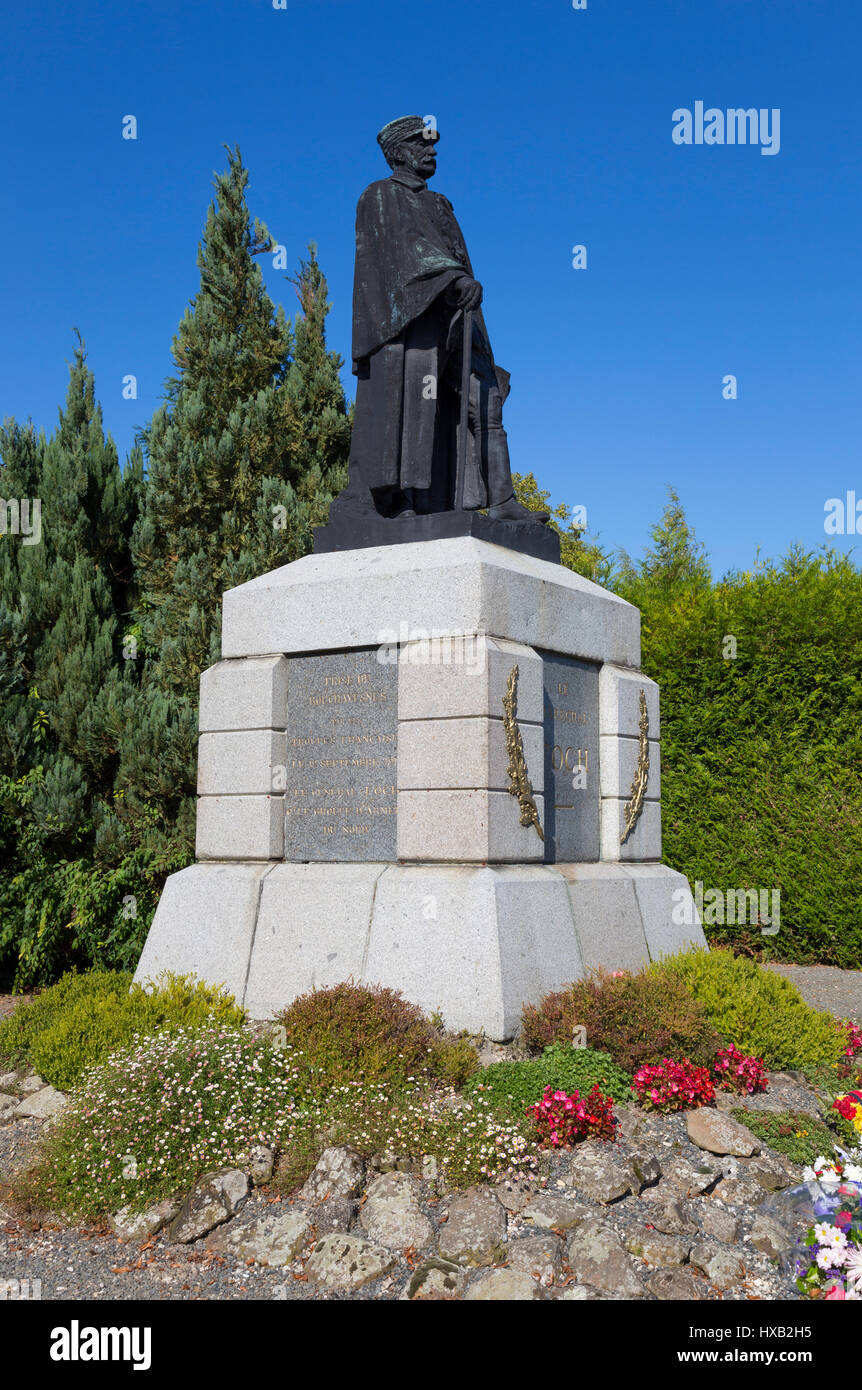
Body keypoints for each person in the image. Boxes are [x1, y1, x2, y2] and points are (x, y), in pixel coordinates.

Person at [332, 115, 548, 524]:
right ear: (399, 152)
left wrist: (462, 285)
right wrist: (449, 280)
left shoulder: (439, 203)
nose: (433, 151)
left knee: (486, 403)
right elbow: (402, 255)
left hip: (459, 320)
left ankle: (502, 501)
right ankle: (404, 500)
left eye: (432, 144)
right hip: (413, 325)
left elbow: (456, 256)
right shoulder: (379, 196)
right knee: (417, 407)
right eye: (422, 144)